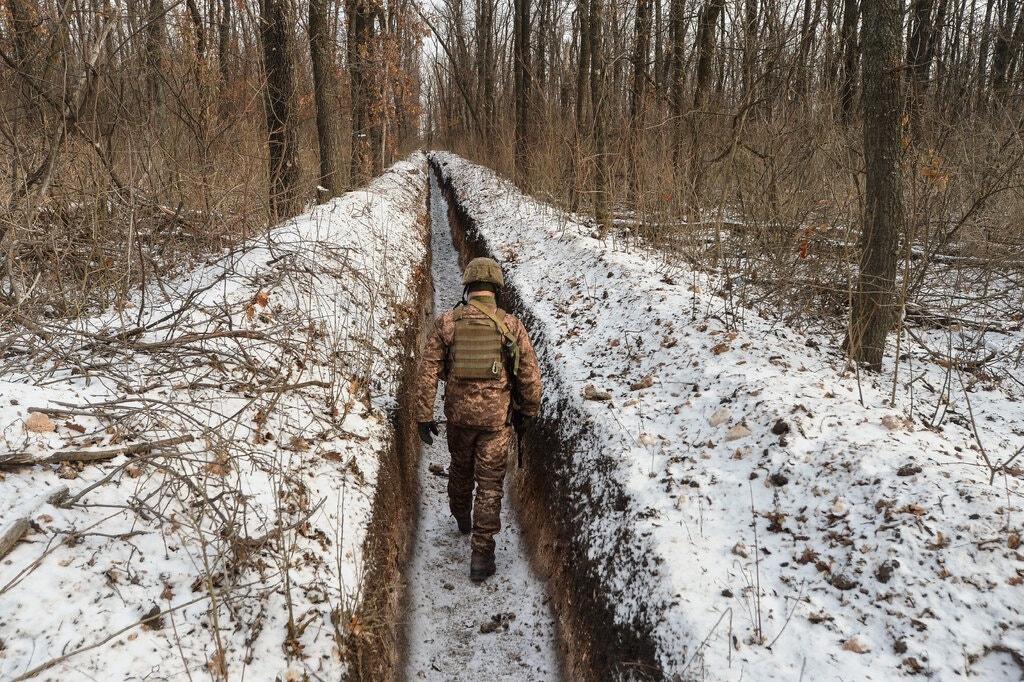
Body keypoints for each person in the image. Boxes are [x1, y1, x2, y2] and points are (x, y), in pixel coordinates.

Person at [414, 256, 543, 582]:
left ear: (468, 286)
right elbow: (530, 379)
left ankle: (461, 517)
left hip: (458, 419)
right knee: (489, 486)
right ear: (496, 288)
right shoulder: (510, 326)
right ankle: (481, 555)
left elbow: (427, 371)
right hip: (495, 423)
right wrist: (528, 413)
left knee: (460, 470)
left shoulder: (447, 323)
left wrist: (422, 416)